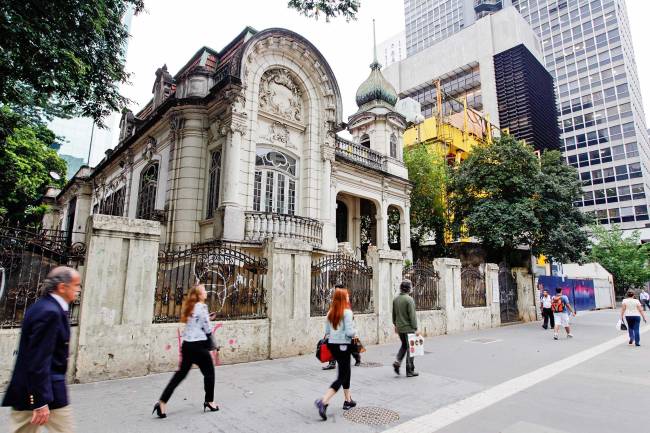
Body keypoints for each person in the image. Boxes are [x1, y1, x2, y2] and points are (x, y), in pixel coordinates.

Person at [2, 266, 82, 433]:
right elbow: (38, 359)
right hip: (46, 393)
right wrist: (39, 401)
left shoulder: (42, 307)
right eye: (76, 285)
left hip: (32, 391)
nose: (79, 290)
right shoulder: (50, 313)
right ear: (62, 287)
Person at [154, 284, 218, 418]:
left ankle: (162, 402)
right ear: (200, 295)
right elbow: (207, 329)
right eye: (204, 290)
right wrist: (209, 325)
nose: (206, 292)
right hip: (199, 347)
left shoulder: (191, 307)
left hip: (187, 345)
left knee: (180, 375)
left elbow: (196, 323)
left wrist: (207, 318)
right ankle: (210, 401)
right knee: (209, 373)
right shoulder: (202, 307)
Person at [314, 287, 358, 421]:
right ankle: (324, 401)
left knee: (346, 370)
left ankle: (348, 400)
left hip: (332, 345)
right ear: (344, 298)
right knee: (341, 376)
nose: (348, 298)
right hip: (344, 345)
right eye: (347, 296)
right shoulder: (347, 313)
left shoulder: (330, 312)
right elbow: (350, 332)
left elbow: (327, 331)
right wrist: (356, 331)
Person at [392, 280, 419, 377]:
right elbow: (412, 316)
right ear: (408, 288)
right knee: (411, 349)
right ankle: (409, 370)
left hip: (400, 328)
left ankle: (397, 361)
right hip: (408, 328)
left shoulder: (396, 299)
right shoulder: (409, 299)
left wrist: (395, 325)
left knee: (404, 345)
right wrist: (415, 328)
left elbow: (394, 314)